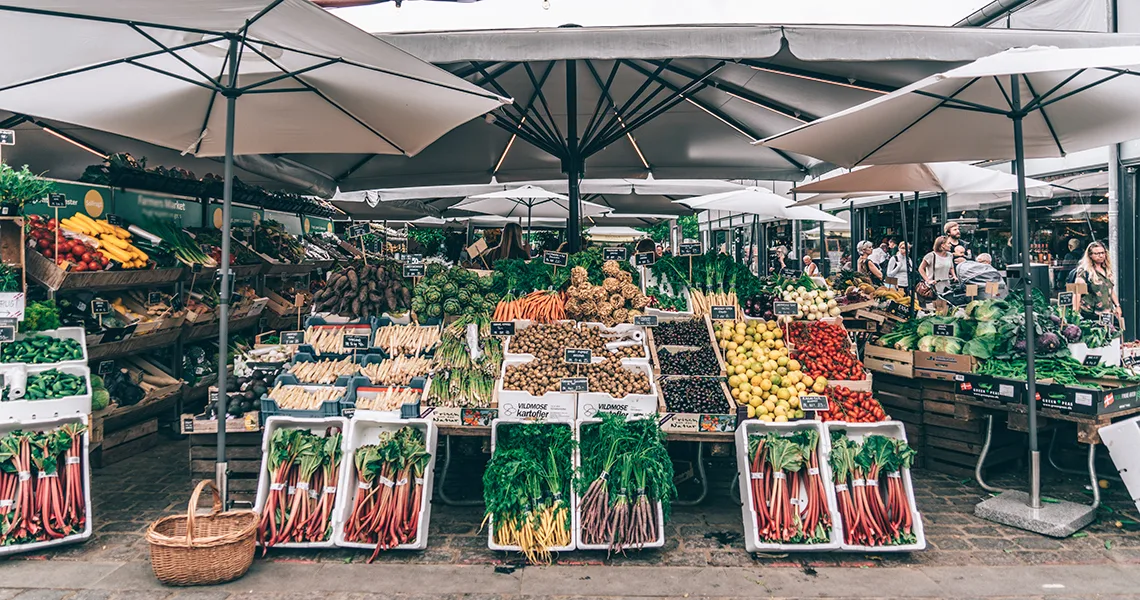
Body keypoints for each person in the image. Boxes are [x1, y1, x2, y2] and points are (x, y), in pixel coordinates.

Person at [1071, 241, 1122, 322]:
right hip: (1091, 315)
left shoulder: (1106, 269)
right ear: (1090, 255)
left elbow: (1110, 290)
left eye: (1102, 253)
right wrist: (1075, 315)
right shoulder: (1084, 271)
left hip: (1107, 314)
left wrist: (1117, 306)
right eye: (1097, 253)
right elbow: (1077, 294)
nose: (1101, 256)